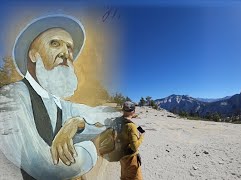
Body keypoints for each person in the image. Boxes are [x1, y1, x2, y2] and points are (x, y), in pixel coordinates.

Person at [0, 14, 120, 179]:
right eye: (55, 43)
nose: (66, 53)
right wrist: (92, 146)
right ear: (33, 55)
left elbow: (104, 126)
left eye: (69, 48)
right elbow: (44, 167)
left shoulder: (63, 105)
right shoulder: (10, 96)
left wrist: (76, 124)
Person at [118, 101, 144, 180]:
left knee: (124, 176)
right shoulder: (131, 126)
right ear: (133, 111)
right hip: (131, 158)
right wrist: (141, 137)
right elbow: (134, 147)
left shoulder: (118, 122)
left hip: (122, 156)